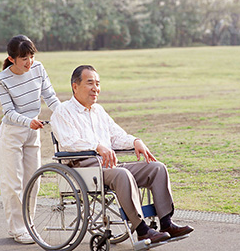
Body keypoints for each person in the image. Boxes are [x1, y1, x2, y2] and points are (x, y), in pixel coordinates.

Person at [50, 65, 193, 244]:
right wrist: (97, 146)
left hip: (109, 166)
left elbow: (117, 135)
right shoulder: (63, 111)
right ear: (75, 86)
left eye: (98, 83)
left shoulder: (98, 111)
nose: (96, 88)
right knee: (122, 174)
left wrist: (135, 141)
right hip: (84, 168)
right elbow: (69, 142)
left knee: (157, 168)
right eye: (90, 83)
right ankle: (142, 230)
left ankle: (166, 223)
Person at [0, 35, 60, 244]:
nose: (29, 62)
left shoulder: (38, 69)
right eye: (24, 58)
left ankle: (28, 225)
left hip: (33, 131)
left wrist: (65, 114)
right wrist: (27, 121)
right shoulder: (2, 79)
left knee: (34, 180)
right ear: (12, 59)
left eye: (31, 56)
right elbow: (8, 112)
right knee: (12, 183)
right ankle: (17, 228)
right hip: (12, 133)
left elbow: (50, 96)